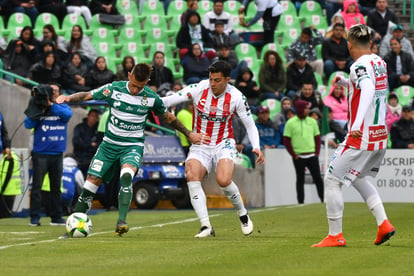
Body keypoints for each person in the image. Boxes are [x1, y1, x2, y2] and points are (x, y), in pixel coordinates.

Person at [56, 63, 202, 237]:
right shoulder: (114, 89)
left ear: (147, 82)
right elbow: (87, 95)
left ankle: (122, 221)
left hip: (132, 146)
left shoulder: (151, 98)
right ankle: (74, 225)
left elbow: (169, 118)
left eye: (139, 87)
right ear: (128, 75)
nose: (134, 90)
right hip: (108, 145)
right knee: (90, 184)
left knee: (126, 175)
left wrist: (188, 133)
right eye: (133, 85)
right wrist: (68, 98)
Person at [312, 24, 395, 247]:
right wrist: (346, 83)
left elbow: (367, 89)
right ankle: (383, 224)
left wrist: (356, 124)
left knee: (331, 180)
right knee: (359, 177)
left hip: (362, 134)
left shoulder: (358, 65)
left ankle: (335, 235)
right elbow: (373, 88)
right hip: (380, 135)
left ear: (349, 45)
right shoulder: (379, 62)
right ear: (371, 43)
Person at [162, 60, 265, 238]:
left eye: (217, 80)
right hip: (200, 143)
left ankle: (243, 214)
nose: (212, 84)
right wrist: (147, 100)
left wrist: (256, 146)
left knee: (223, 180)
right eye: (211, 79)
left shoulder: (237, 97)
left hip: (223, 143)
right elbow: (170, 99)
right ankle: (206, 226)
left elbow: (250, 124)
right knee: (191, 175)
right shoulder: (199, 88)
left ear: (227, 79)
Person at [24, 83, 73, 226]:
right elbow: (28, 124)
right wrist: (39, 108)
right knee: (37, 187)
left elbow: (67, 115)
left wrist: (51, 105)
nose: (54, 93)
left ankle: (56, 217)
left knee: (56, 187)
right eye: (52, 91)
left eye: (57, 91)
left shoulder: (62, 106)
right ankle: (34, 217)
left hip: (57, 153)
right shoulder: (39, 106)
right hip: (40, 153)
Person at [283, 100, 324, 205]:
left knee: (318, 178)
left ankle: (323, 199)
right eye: (306, 108)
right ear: (300, 109)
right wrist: (294, 154)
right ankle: (301, 202)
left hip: (311, 155)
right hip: (298, 156)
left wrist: (316, 153)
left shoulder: (312, 121)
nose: (308, 110)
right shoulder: (290, 123)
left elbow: (317, 138)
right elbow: (286, 140)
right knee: (300, 179)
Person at [72, 109, 100, 178]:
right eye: (92, 116)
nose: (94, 118)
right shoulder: (79, 127)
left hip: (92, 161)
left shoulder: (98, 130)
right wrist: (90, 144)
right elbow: (76, 143)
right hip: (79, 159)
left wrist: (84, 143)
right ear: (88, 116)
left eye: (96, 117)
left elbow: (98, 145)